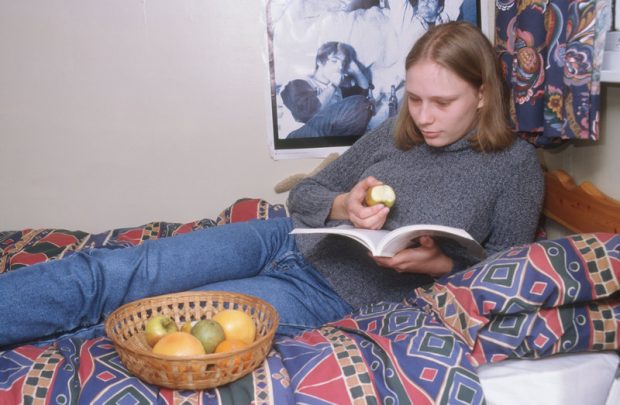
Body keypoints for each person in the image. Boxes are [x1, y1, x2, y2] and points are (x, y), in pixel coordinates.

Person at [0, 22, 544, 349]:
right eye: (415, 99)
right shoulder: (392, 136)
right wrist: (341, 202)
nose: (424, 116)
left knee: (168, 329)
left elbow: (506, 273)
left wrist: (440, 266)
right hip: (283, 239)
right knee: (120, 269)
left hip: (325, 292)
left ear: (481, 94)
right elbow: (301, 196)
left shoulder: (515, 167)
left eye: (442, 103)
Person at [280, 41, 374, 138]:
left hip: (327, 135)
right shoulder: (299, 82)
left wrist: (355, 70)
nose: (340, 67)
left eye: (343, 63)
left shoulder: (337, 88)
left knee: (361, 105)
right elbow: (306, 113)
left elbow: (362, 92)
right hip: (301, 135)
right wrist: (333, 85)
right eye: (334, 61)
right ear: (320, 61)